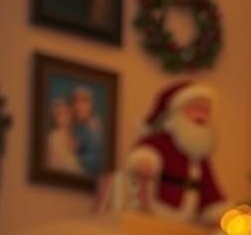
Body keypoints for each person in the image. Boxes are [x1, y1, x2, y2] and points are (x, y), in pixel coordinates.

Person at [125, 82, 230, 224]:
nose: (201, 116)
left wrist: (217, 212)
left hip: (185, 224)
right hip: (153, 214)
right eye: (195, 109)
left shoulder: (199, 159)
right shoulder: (161, 143)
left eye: (205, 111)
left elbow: (210, 191)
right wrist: (144, 161)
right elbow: (146, 154)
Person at [71, 86, 103, 176]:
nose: (77, 107)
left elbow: (93, 160)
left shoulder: (94, 128)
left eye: (83, 102)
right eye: (75, 102)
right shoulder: (75, 125)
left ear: (90, 105)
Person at [45, 97, 82, 173]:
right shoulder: (52, 136)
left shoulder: (71, 134)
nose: (64, 117)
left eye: (66, 113)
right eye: (59, 114)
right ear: (54, 117)